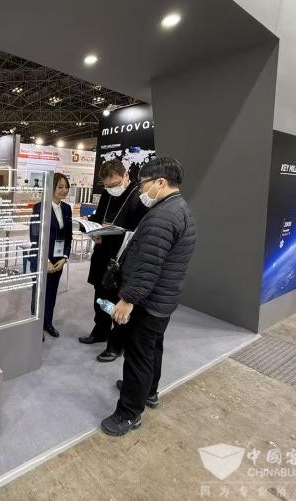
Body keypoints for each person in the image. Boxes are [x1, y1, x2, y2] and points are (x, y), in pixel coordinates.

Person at [100, 157, 197, 437]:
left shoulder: (162, 217)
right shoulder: (179, 209)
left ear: (160, 182)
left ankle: (129, 413)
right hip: (163, 300)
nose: (141, 189)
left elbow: (148, 266)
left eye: (143, 183)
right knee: (153, 349)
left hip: (148, 301)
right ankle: (148, 391)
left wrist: (127, 300)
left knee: (138, 357)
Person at [78, 159, 148, 363]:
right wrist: (93, 230)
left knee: (117, 304)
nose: (111, 189)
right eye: (107, 186)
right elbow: (98, 218)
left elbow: (137, 231)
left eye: (115, 184)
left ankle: (116, 346)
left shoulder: (138, 197)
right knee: (100, 297)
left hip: (123, 259)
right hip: (102, 256)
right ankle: (100, 331)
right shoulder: (107, 194)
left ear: (126, 176)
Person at [30, 173, 73, 338]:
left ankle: (47, 322)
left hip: (58, 260)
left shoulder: (66, 208)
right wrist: (45, 260)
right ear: (51, 188)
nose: (64, 190)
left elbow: (68, 236)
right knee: (39, 294)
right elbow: (34, 237)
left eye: (66, 187)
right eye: (60, 187)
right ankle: (36, 327)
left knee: (52, 293)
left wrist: (65, 257)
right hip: (42, 260)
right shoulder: (39, 208)